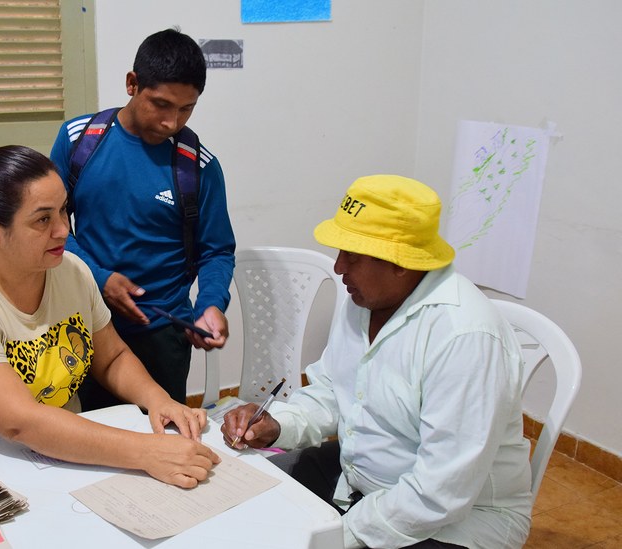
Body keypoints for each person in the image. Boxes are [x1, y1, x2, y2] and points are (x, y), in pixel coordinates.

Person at [221, 175, 533, 548]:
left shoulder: (465, 337)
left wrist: (337, 535)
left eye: (351, 256)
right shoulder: (366, 300)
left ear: (401, 263)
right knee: (242, 502)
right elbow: (332, 392)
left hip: (457, 521)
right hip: (361, 476)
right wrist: (277, 425)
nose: (338, 268)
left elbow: (439, 492)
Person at [0, 145, 220, 489]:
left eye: (63, 211)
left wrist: (157, 399)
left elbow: (113, 357)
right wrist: (147, 451)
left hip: (59, 448)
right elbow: (20, 423)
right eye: (43, 219)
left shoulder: (71, 270)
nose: (62, 230)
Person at [50, 28, 236, 407]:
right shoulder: (79, 140)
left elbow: (216, 251)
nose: (172, 122)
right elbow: (51, 230)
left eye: (186, 109)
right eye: (162, 104)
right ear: (132, 84)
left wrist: (211, 305)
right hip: (82, 322)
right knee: (83, 437)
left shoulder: (198, 167)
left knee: (163, 438)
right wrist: (99, 279)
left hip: (162, 332)